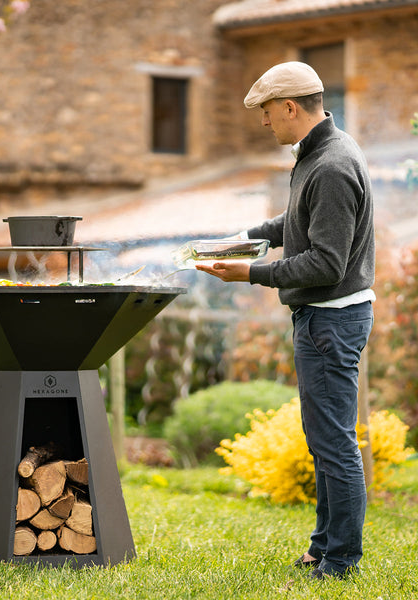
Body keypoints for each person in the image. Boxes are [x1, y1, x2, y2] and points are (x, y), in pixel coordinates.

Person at [197, 61, 375, 580]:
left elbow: (326, 262)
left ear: (291, 107)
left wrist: (250, 272)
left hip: (330, 323)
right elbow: (299, 218)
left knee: (334, 444)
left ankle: (340, 560)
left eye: (267, 112)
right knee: (324, 439)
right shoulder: (320, 153)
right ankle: (323, 546)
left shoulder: (333, 166)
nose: (263, 122)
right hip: (323, 321)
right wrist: (249, 236)